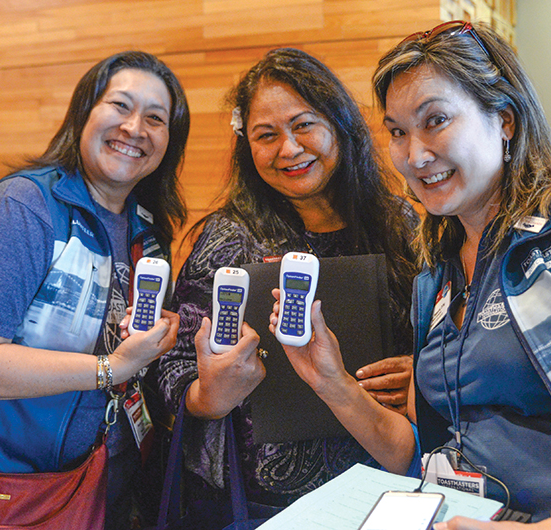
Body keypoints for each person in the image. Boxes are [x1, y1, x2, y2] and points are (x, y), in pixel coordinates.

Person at [269, 21, 551, 530]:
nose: (414, 155)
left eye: (435, 120)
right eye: (397, 132)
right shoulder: (436, 274)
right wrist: (331, 381)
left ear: (504, 120)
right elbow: (429, 459)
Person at [0, 50, 187, 530]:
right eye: (120, 106)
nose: (135, 128)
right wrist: (111, 368)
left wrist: (145, 336)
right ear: (83, 113)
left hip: (104, 475)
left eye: (156, 118)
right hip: (1, 487)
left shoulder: (146, 231)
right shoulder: (22, 207)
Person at [155, 47, 419, 524]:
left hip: (385, 487)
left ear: (339, 122)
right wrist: (207, 394)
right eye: (266, 135)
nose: (289, 149)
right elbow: (173, 368)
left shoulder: (398, 222)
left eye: (303, 125)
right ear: (246, 145)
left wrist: (421, 371)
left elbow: (441, 337)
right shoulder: (228, 237)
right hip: (260, 507)